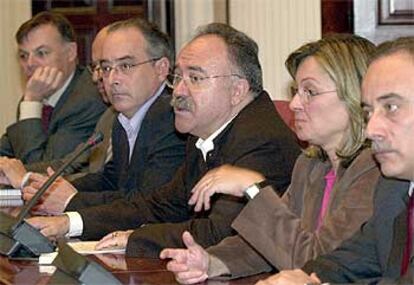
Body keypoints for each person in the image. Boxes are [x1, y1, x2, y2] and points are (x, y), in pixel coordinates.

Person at [26, 23, 300, 258]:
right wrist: (71, 223)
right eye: (179, 77)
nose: (178, 90)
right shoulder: (203, 133)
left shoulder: (262, 141)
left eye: (195, 78)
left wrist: (135, 238)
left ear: (237, 90)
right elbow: (161, 204)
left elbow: (218, 233)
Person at [159, 34, 382, 284]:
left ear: (356, 96)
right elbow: (270, 243)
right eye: (296, 91)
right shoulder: (310, 165)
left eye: (310, 91)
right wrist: (211, 261)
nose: (295, 103)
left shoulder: (374, 170)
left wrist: (253, 188)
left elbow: (317, 262)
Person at [254, 37, 414, 285]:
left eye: (391, 107)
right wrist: (303, 278)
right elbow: (353, 260)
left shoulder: (378, 175)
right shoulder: (394, 187)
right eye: (368, 112)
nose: (371, 129)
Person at [21, 17, 187, 215]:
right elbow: (110, 179)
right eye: (107, 68)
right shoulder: (123, 118)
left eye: (125, 66)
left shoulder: (172, 119)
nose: (112, 79)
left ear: (161, 69)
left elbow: (147, 201)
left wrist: (71, 201)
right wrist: (54, 188)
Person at [0, 26, 115, 187]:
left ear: (70, 52)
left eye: (41, 53)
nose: (30, 64)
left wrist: (32, 101)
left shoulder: (90, 98)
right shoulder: (35, 94)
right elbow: (8, 150)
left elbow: (46, 169)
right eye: (23, 56)